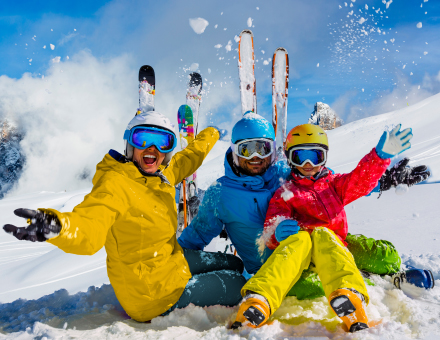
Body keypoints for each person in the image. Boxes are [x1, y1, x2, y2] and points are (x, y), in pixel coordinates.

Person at [3, 111, 246, 322]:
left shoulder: (160, 175)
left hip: (169, 264)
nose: (153, 149)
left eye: (162, 141)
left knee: (235, 264)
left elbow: (189, 158)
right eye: (143, 139)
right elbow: (90, 224)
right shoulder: (116, 184)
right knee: (239, 283)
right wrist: (58, 226)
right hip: (152, 295)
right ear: (129, 144)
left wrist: (212, 134)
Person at [178, 112, 430, 300]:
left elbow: (340, 185)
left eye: (262, 148)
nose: (256, 157)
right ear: (234, 151)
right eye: (247, 150)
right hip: (277, 264)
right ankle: (371, 282)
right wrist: (168, 260)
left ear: (274, 151)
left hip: (325, 242)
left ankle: (375, 270)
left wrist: (385, 174)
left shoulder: (287, 172)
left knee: (377, 254)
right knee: (310, 286)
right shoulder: (220, 194)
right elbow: (196, 236)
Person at [232, 123, 413, 332]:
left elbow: (360, 182)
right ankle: (259, 299)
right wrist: (277, 231)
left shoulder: (334, 184)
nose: (308, 164)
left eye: (315, 156)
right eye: (300, 157)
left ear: (324, 158)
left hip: (334, 245)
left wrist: (379, 157)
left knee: (329, 236)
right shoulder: (285, 193)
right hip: (302, 254)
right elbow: (271, 228)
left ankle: (348, 294)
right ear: (290, 159)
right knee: (300, 241)